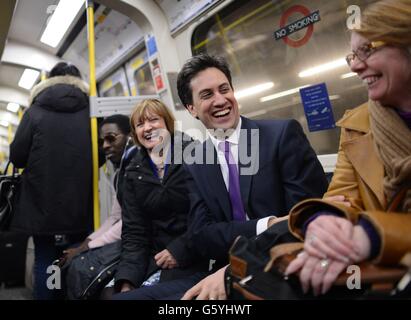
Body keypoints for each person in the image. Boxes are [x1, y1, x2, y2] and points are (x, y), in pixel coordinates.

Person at [285, 0, 411, 297]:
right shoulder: (358, 124)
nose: (355, 65)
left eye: (367, 50)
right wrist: (323, 223)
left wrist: (371, 235)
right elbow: (343, 195)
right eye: (352, 55)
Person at [177, 54, 328, 300]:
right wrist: (266, 224)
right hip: (222, 270)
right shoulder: (194, 160)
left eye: (224, 89)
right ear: (191, 108)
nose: (220, 100)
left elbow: (305, 220)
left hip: (287, 266)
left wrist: (233, 268)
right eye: (207, 95)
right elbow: (201, 237)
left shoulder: (280, 136)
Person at [9, 62, 93, 300]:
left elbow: (18, 156)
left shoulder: (35, 111)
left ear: (48, 80)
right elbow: (98, 155)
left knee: (47, 262)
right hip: (81, 202)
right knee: (76, 260)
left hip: (41, 205)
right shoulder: (91, 109)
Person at [111, 99, 206, 300]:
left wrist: (179, 250)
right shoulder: (133, 170)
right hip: (155, 256)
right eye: (140, 124)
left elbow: (209, 213)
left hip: (198, 252)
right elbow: (135, 231)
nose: (147, 128)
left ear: (167, 124)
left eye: (153, 120)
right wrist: (128, 279)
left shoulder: (195, 154)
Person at [61, 114, 136, 262]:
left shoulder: (141, 172)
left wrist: (87, 248)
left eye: (111, 138)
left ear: (131, 136)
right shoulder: (119, 175)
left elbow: (129, 221)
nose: (105, 146)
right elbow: (115, 217)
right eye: (102, 141)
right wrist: (85, 244)